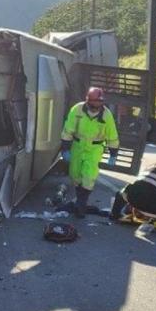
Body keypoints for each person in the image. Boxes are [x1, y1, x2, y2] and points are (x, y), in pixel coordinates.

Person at [60, 87, 120, 219]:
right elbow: (68, 129)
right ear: (88, 100)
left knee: (88, 176)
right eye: (94, 102)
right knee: (75, 174)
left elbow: (112, 135)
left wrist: (113, 153)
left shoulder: (106, 115)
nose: (97, 105)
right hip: (77, 146)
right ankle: (79, 201)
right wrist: (65, 148)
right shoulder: (77, 110)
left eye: (99, 102)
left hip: (94, 149)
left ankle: (81, 205)